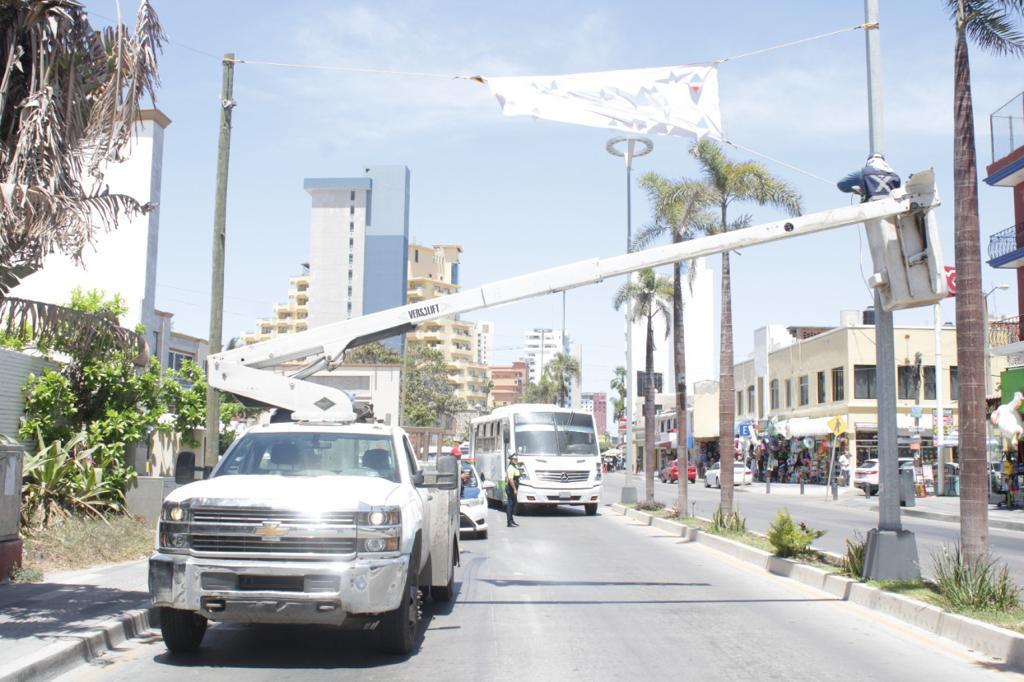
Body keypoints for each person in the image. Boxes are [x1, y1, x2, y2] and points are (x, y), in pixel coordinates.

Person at [505, 454, 521, 527]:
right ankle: (509, 522)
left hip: (514, 487)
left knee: (513, 504)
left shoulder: (515, 467)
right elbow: (511, 480)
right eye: (515, 459)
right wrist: (514, 489)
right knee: (510, 505)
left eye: (516, 459)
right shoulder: (511, 468)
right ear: (511, 460)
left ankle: (511, 520)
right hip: (510, 488)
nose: (516, 460)